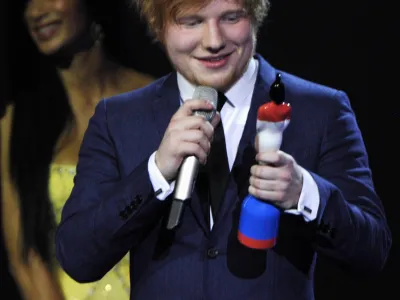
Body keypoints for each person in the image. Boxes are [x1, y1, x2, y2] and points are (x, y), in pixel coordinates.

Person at [55, 0, 392, 299]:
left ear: (255, 15)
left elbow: (372, 253)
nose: (214, 41)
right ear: (159, 26)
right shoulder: (119, 119)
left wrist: (306, 193)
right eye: (192, 22)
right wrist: (155, 172)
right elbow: (78, 257)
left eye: (231, 17)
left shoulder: (320, 110)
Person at [1, 0, 154, 299]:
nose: (36, 12)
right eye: (27, 2)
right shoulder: (15, 123)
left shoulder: (154, 99)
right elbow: (26, 256)